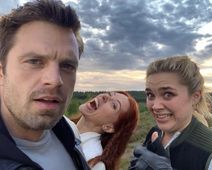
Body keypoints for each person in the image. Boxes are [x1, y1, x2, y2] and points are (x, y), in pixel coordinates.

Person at [0, 0, 90, 169]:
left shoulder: (69, 131)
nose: (55, 80)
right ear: (1, 72)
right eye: (35, 61)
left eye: (67, 66)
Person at [129, 56, 212, 170]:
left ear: (195, 97)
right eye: (150, 95)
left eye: (168, 94)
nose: (156, 106)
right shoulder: (155, 133)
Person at [69, 91, 139, 170]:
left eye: (114, 105)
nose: (106, 97)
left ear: (109, 127)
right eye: (109, 94)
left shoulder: (93, 163)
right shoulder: (60, 124)